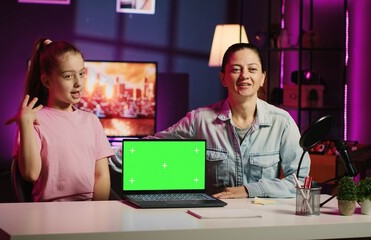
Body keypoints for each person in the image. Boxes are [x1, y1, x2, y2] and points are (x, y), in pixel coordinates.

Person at [110, 43, 310, 199]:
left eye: (252, 69)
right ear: (223, 78)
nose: (245, 76)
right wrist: (100, 160)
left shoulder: (282, 122)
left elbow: (301, 181)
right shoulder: (200, 120)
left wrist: (250, 190)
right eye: (236, 69)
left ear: (263, 77)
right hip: (214, 218)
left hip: (265, 220)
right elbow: (150, 149)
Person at [12, 38, 115, 202]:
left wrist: (98, 212)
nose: (78, 83)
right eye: (68, 76)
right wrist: (25, 123)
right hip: (50, 213)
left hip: (89, 212)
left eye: (81, 74)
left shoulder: (92, 121)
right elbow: (31, 173)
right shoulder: (34, 120)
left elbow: (101, 175)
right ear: (47, 81)